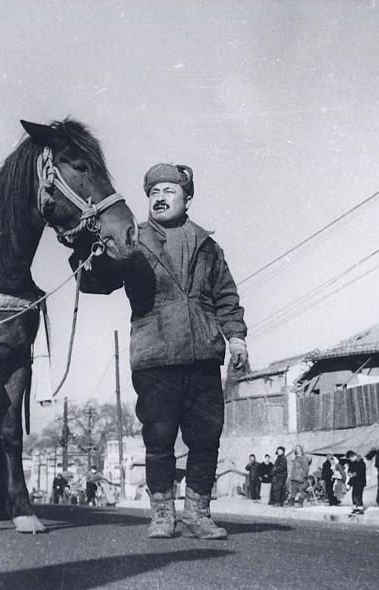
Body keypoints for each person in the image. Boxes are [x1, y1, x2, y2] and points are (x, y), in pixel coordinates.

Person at [71, 163, 247, 539]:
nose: (159, 198)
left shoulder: (208, 246)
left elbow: (226, 298)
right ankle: (163, 515)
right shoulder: (133, 241)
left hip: (203, 356)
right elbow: (97, 282)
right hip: (155, 357)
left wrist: (236, 338)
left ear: (187, 197)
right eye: (153, 193)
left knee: (206, 438)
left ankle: (198, 514)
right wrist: (85, 248)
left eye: (168, 191)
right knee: (159, 439)